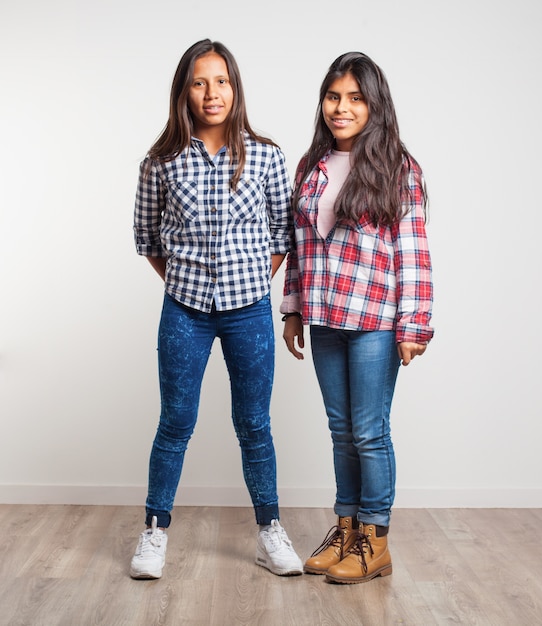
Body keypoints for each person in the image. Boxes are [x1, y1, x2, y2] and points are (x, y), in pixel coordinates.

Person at [131, 39, 303, 580]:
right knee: (175, 422)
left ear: (236, 88)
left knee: (254, 424)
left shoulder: (267, 155)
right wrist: (188, 280)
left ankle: (269, 532)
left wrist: (251, 279)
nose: (212, 93)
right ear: (185, 90)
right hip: (183, 311)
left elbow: (282, 230)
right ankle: (155, 531)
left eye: (222, 81)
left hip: (248, 310)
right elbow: (147, 237)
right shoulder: (160, 162)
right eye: (200, 82)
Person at [281, 51, 434, 584]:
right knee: (340, 429)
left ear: (375, 105)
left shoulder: (398, 168)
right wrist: (293, 309)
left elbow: (413, 250)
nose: (340, 108)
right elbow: (299, 246)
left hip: (375, 319)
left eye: (354, 98)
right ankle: (345, 529)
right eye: (333, 97)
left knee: (370, 431)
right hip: (324, 316)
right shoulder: (311, 165)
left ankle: (375, 538)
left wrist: (414, 325)